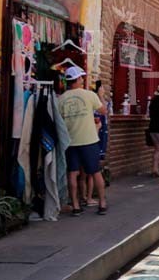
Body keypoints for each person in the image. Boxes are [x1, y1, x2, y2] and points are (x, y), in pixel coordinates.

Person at [58, 66, 108, 216]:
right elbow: (103, 111)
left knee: (72, 173)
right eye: (81, 77)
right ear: (79, 79)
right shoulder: (89, 95)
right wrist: (101, 96)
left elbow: (59, 121)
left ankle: (75, 205)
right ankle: (102, 203)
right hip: (88, 140)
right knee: (96, 172)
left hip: (70, 142)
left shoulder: (60, 99)